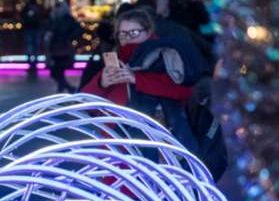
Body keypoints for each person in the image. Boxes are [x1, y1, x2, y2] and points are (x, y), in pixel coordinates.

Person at [81, 8, 201, 154]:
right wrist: (102, 83)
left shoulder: (164, 57)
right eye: (122, 34)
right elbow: (85, 102)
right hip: (117, 147)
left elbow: (183, 91)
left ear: (149, 32)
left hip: (161, 147)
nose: (127, 38)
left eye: (134, 33)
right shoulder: (117, 63)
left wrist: (136, 79)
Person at [45, 0, 83, 93]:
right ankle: (67, 87)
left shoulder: (67, 18)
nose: (58, 9)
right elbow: (50, 30)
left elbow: (78, 30)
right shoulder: (54, 17)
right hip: (55, 48)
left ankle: (65, 87)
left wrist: (68, 38)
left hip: (64, 48)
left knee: (57, 70)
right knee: (55, 71)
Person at [21, 0, 47, 71]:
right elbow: (42, 16)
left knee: (29, 44)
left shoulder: (26, 7)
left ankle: (30, 61)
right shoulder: (38, 7)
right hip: (37, 28)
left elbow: (22, 16)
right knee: (36, 45)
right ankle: (35, 60)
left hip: (28, 28)